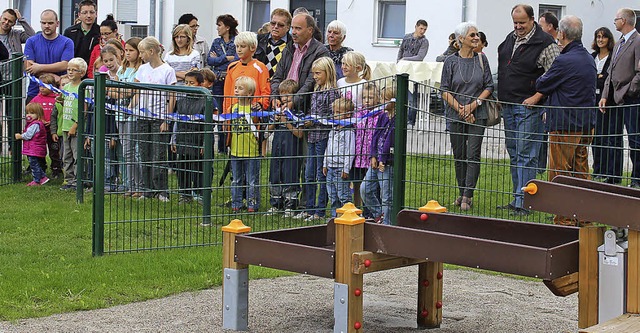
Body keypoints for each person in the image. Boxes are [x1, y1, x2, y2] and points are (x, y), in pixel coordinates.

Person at [496, 4, 559, 216]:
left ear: (532, 19)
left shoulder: (545, 43)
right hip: (509, 105)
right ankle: (517, 198)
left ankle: (526, 202)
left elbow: (555, 74)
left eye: (522, 22)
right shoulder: (510, 39)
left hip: (528, 107)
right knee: (514, 153)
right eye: (515, 22)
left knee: (527, 154)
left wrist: (537, 97)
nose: (518, 26)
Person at [535, 15, 596, 225]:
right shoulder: (588, 57)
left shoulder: (564, 59)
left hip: (565, 124)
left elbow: (542, 84)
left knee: (559, 172)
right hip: (586, 123)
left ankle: (564, 219)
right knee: (580, 171)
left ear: (561, 34)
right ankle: (585, 216)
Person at [441, 22, 495, 212]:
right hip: (456, 115)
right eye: (472, 35)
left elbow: (489, 86)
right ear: (461, 39)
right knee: (460, 155)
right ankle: (461, 190)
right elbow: (444, 90)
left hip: (477, 114)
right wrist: (461, 110)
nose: (476, 38)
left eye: (477, 35)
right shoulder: (450, 61)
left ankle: (467, 195)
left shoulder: (481, 59)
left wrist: (472, 107)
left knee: (472, 154)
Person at [131, 36, 177, 201]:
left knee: (158, 155)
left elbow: (172, 96)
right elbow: (136, 91)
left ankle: (162, 190)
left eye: (142, 52)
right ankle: (147, 189)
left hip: (159, 118)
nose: (140, 55)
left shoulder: (167, 70)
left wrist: (167, 118)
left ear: (151, 51)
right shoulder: (142, 69)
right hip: (142, 117)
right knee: (144, 153)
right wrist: (130, 108)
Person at [598, 8, 640, 188]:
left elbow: (639, 72)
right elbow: (610, 72)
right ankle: (613, 177)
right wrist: (605, 95)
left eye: (616, 19)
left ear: (623, 20)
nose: (614, 22)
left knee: (634, 139)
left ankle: (636, 179)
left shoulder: (638, 40)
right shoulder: (618, 43)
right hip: (614, 97)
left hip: (631, 98)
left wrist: (630, 90)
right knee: (613, 138)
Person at [295, 57, 340, 222]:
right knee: (309, 174)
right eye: (313, 73)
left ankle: (320, 210)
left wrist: (314, 120)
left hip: (323, 137)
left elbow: (331, 115)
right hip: (312, 135)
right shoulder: (315, 89)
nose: (314, 76)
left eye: (318, 73)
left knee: (321, 174)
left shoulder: (332, 92)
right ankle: (309, 208)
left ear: (327, 73)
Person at [270, 13, 330, 110]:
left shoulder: (320, 52)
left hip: (305, 108)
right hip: (282, 105)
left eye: (298, 28)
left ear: (310, 30)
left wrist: (293, 101)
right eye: (292, 28)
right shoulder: (288, 48)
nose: (293, 32)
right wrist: (275, 97)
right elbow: (277, 77)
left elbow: (310, 83)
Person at [266, 79, 304, 216]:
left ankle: (290, 204)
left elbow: (299, 134)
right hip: (277, 147)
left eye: (288, 95)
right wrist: (275, 120)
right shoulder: (277, 111)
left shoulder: (298, 114)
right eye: (282, 95)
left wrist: (286, 122)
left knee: (290, 173)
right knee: (275, 172)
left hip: (291, 148)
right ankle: (276, 203)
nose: (284, 98)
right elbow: (268, 130)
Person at [361, 87, 396, 225]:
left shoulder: (397, 119)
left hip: (387, 163)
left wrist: (383, 159)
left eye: (384, 99)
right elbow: (375, 136)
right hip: (377, 161)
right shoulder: (382, 116)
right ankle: (379, 214)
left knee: (386, 195)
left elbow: (390, 140)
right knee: (365, 189)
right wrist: (373, 156)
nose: (381, 101)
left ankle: (387, 223)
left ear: (393, 102)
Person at [171, 70, 207, 204]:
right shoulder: (180, 101)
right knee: (182, 168)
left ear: (201, 84)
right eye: (186, 82)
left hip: (197, 139)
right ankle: (185, 194)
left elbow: (208, 125)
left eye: (191, 83)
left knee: (198, 168)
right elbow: (176, 121)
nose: (188, 85)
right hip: (182, 138)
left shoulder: (205, 101)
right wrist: (173, 139)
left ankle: (200, 193)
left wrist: (205, 142)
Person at [23, 9, 74, 103]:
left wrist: (39, 67)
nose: (46, 26)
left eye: (50, 23)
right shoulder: (31, 41)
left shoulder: (67, 42)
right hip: (35, 92)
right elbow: (29, 67)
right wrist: (54, 77)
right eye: (44, 23)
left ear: (57, 23)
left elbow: (65, 65)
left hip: (59, 93)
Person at [228, 76, 261, 213]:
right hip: (236, 150)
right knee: (236, 179)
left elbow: (258, 124)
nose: (236, 90)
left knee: (252, 180)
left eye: (240, 88)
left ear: (249, 93)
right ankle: (236, 203)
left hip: (251, 150)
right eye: (236, 88)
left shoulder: (254, 110)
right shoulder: (233, 108)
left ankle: (252, 204)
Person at [208, 14, 239, 153]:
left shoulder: (236, 42)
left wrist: (219, 59)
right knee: (220, 111)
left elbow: (237, 60)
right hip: (218, 80)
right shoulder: (216, 42)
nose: (217, 28)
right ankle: (221, 147)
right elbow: (210, 60)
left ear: (227, 27)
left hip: (231, 79)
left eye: (220, 25)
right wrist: (226, 57)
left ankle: (230, 143)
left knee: (230, 110)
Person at [116, 37, 143, 197]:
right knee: (125, 151)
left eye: (131, 50)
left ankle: (139, 186)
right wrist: (125, 91)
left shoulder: (140, 70)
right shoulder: (122, 70)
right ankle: (131, 186)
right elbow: (114, 90)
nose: (127, 53)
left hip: (133, 115)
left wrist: (125, 94)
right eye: (126, 50)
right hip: (120, 114)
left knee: (132, 151)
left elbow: (135, 91)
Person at [55, 57, 87, 191]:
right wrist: (61, 100)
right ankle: (68, 179)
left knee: (77, 155)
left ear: (82, 72)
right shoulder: (66, 86)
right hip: (65, 126)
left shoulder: (83, 87)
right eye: (68, 69)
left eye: (74, 70)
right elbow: (65, 101)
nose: (70, 72)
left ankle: (78, 181)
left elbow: (85, 109)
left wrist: (76, 125)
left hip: (76, 127)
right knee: (66, 155)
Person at [352, 83, 383, 217]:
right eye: (364, 97)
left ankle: (372, 212)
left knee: (372, 187)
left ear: (377, 98)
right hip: (358, 157)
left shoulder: (380, 115)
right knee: (358, 185)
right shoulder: (358, 114)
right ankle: (360, 211)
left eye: (370, 97)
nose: (366, 100)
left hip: (371, 157)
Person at [222, 31, 270, 114]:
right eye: (237, 46)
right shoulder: (232, 67)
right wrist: (226, 114)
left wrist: (261, 104)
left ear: (252, 48)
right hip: (234, 113)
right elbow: (227, 94)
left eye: (243, 46)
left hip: (253, 113)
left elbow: (265, 91)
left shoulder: (261, 67)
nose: (239, 50)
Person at [590, 27, 615, 183]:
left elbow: (606, 78)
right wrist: (597, 77)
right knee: (595, 137)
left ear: (608, 39)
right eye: (598, 37)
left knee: (606, 136)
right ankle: (597, 168)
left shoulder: (612, 57)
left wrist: (599, 77)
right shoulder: (592, 56)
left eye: (603, 37)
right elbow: (591, 77)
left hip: (606, 100)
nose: (600, 40)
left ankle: (607, 169)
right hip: (592, 100)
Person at [323, 97, 356, 217]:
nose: (335, 115)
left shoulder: (349, 131)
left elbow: (350, 151)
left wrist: (346, 168)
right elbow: (328, 147)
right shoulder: (333, 129)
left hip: (340, 168)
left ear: (348, 115)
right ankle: (334, 219)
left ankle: (348, 216)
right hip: (330, 167)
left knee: (343, 195)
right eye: (334, 112)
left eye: (338, 112)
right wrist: (325, 163)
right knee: (332, 196)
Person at [30, 73, 62, 178]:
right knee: (40, 149)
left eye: (45, 86)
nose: (42, 88)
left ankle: (56, 169)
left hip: (52, 130)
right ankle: (41, 168)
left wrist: (50, 122)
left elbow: (59, 113)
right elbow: (30, 111)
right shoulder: (36, 99)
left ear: (52, 86)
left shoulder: (57, 98)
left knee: (54, 150)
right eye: (40, 86)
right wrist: (39, 120)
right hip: (40, 131)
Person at [398, 19, 429, 128]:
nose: (422, 31)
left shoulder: (424, 41)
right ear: (416, 27)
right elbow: (401, 50)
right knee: (401, 95)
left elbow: (420, 57)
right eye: (421, 28)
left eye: (425, 29)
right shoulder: (406, 37)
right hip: (402, 69)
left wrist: (404, 59)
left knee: (412, 98)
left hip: (415, 72)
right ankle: (401, 119)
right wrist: (398, 62)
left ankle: (411, 121)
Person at [15, 103, 49, 186]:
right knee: (35, 164)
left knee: (34, 165)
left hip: (34, 149)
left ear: (38, 114)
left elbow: (28, 135)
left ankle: (37, 180)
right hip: (34, 148)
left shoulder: (35, 124)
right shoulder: (34, 124)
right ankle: (42, 177)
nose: (29, 115)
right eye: (27, 113)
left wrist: (20, 136)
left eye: (32, 113)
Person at [255, 8, 293, 78]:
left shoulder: (293, 45)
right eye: (273, 23)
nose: (275, 27)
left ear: (288, 27)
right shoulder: (258, 40)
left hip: (280, 86)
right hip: (260, 84)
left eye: (280, 25)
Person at [63, 0, 100, 67]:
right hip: (74, 70)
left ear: (96, 14)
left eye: (91, 12)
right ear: (79, 15)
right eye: (85, 13)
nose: (88, 16)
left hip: (93, 70)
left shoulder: (100, 32)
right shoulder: (70, 32)